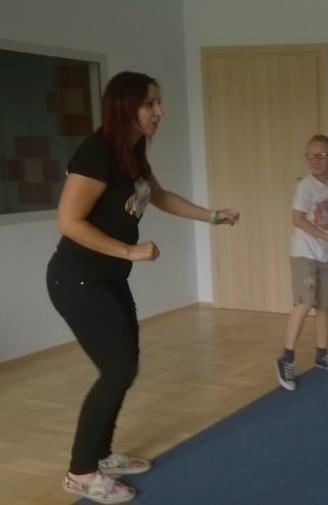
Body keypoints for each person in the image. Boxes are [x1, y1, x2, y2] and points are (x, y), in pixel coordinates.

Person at [48, 71, 239, 503]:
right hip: (77, 278)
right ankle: (80, 472)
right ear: (126, 105)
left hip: (108, 277)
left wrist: (212, 216)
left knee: (124, 366)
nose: (160, 111)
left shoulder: (130, 152)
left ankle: (102, 455)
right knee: (117, 369)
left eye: (159, 102)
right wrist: (128, 251)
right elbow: (68, 221)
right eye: (150, 103)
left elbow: (160, 196)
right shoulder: (97, 152)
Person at [276, 134, 328, 390]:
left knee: (323, 306)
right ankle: (286, 359)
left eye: (322, 155)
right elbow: (297, 219)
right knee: (305, 302)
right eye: (311, 156)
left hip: (325, 254)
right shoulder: (305, 187)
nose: (316, 160)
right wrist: (327, 236)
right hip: (304, 252)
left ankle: (321, 356)